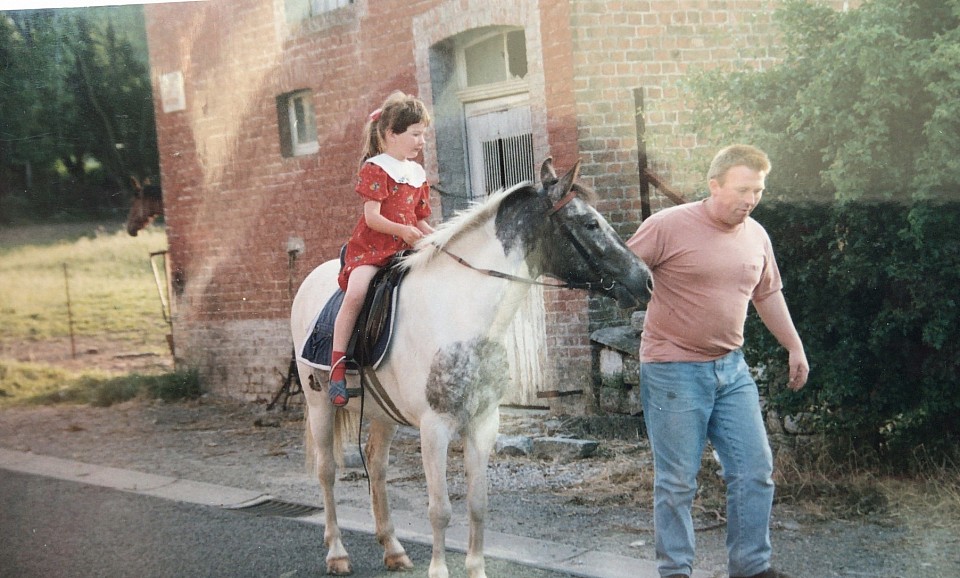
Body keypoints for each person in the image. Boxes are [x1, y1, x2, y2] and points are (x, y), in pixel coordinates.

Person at [626, 144, 809, 578]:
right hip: (672, 369)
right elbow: (623, 272)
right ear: (714, 185)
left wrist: (794, 346)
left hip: (731, 369)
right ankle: (675, 571)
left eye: (758, 191)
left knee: (754, 471)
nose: (750, 199)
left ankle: (751, 568)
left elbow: (767, 294)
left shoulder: (756, 235)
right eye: (742, 189)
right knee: (677, 482)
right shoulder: (667, 226)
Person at [328, 91, 434, 406]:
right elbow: (372, 217)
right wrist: (403, 230)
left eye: (423, 135)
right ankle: (337, 368)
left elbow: (421, 220)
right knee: (357, 292)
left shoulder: (417, 173)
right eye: (415, 134)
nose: (421, 141)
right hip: (373, 248)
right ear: (391, 134)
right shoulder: (376, 168)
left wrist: (437, 239)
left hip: (406, 249)